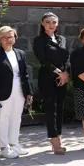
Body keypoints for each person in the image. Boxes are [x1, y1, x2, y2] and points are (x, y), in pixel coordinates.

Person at [0, 26, 33, 159]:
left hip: (19, 90)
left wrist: (28, 92)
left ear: (15, 38)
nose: (7, 40)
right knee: (2, 119)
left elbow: (25, 75)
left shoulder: (20, 53)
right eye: (4, 38)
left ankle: (14, 144)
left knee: (16, 118)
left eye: (10, 37)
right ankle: (4, 147)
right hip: (2, 92)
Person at [33, 12, 70, 155]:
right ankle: (54, 140)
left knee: (60, 108)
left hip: (62, 78)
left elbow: (67, 58)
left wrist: (65, 73)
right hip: (47, 77)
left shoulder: (62, 39)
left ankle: (59, 136)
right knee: (51, 108)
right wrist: (59, 72)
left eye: (54, 22)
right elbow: (43, 60)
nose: (51, 25)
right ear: (42, 24)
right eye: (48, 22)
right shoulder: (39, 40)